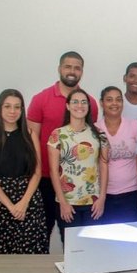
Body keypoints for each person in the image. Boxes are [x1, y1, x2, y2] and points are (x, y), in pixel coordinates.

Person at [28, 51, 99, 244]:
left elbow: (91, 140)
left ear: (82, 72)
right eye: (68, 66)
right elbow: (31, 140)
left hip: (78, 186)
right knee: (41, 233)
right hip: (44, 180)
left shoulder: (90, 102)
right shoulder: (40, 99)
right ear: (59, 69)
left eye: (77, 67)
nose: (72, 71)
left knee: (76, 240)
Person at [0, 89, 48, 254]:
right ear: (0, 108)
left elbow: (37, 172)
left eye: (17, 107)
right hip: (0, 203)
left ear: (22, 110)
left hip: (28, 202)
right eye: (8, 106)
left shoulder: (30, 134)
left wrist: (23, 203)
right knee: (0, 257)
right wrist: (11, 206)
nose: (12, 111)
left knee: (30, 254)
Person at [47, 89, 110, 236]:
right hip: (68, 203)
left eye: (83, 102)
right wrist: (62, 202)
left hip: (93, 203)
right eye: (75, 101)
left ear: (88, 106)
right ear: (68, 106)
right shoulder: (58, 135)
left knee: (92, 247)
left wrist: (102, 198)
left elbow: (104, 165)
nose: (79, 105)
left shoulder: (99, 135)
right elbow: (53, 171)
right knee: (71, 250)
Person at [95, 86, 137, 225]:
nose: (114, 103)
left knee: (132, 240)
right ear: (101, 103)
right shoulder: (94, 129)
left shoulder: (134, 125)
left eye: (118, 100)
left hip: (132, 193)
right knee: (107, 241)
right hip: (103, 196)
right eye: (109, 100)